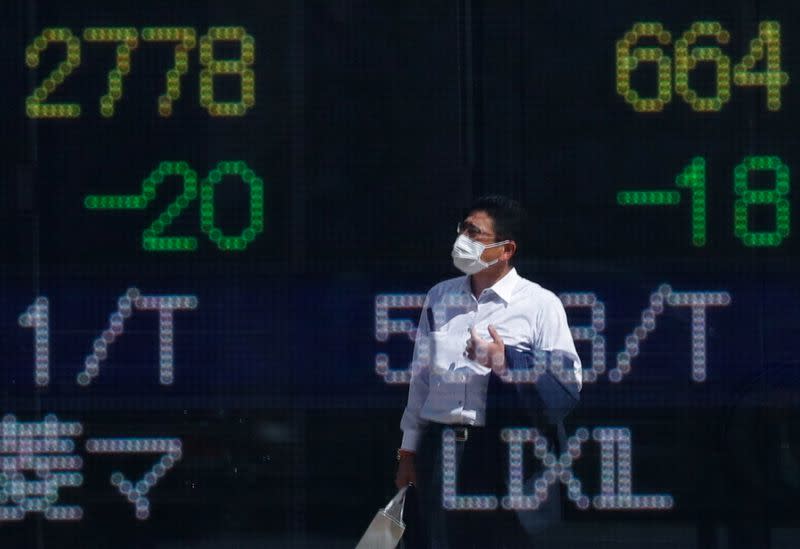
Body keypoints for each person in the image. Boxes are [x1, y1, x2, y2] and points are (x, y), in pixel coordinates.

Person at [395, 195, 582, 548]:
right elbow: (419, 385)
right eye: (461, 229)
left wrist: (505, 359)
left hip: (507, 453)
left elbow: (568, 384)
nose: (462, 240)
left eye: (474, 233)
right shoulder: (439, 297)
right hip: (444, 447)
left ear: (506, 249)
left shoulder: (540, 304)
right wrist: (407, 454)